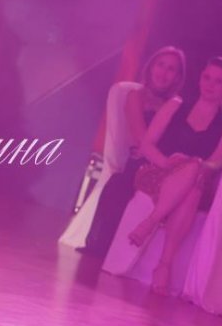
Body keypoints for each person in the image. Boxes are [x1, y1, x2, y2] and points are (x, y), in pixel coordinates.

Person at [126, 57, 222, 294]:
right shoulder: (175, 105)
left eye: (218, 81)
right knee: (193, 180)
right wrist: (167, 162)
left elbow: (213, 165)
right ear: (200, 78)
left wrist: (193, 165)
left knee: (195, 177)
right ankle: (164, 266)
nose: (210, 85)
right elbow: (146, 144)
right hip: (157, 173)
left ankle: (151, 224)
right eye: (206, 78)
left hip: (195, 184)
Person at [78, 46, 186, 258]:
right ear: (151, 67)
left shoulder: (177, 106)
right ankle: (104, 246)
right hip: (140, 164)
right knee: (119, 184)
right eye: (160, 65)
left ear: (177, 77)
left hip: (165, 166)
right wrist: (160, 157)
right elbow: (141, 139)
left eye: (171, 69)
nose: (163, 73)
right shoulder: (135, 96)